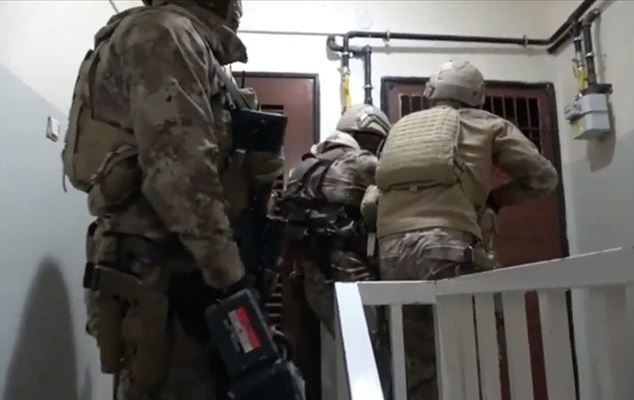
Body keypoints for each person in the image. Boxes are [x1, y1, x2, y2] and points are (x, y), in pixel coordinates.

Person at [62, 1, 289, 399]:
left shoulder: (191, 44)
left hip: (193, 276)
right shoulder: (164, 33)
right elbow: (181, 179)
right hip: (174, 280)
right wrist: (233, 284)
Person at [373, 59, 559, 399]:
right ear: (477, 94)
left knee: (416, 364)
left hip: (390, 255)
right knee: (475, 354)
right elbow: (543, 176)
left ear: (431, 90)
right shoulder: (487, 124)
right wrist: (494, 200)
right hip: (447, 249)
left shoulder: (401, 128)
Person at [281, 104, 391, 335]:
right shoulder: (362, 162)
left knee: (334, 349)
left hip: (307, 274)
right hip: (348, 268)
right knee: (372, 344)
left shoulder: (305, 167)